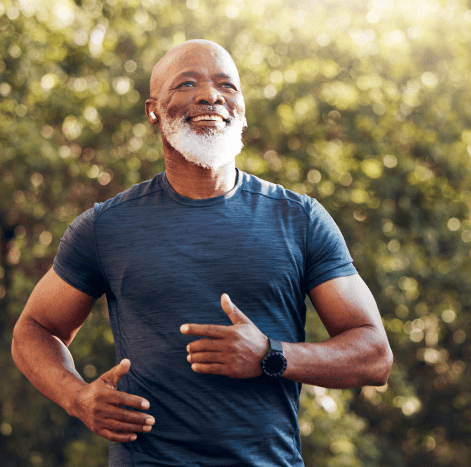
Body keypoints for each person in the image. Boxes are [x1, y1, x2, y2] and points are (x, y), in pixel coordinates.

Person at [11, 39, 393, 466]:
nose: (210, 95)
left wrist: (271, 354)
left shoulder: (300, 219)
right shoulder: (106, 226)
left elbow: (374, 356)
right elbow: (35, 328)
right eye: (187, 83)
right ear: (153, 110)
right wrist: (77, 397)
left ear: (241, 107)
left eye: (227, 86)